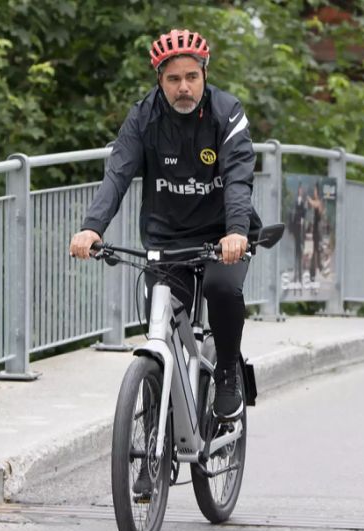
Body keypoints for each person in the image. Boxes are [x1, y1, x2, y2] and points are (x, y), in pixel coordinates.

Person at [70, 29, 261, 422]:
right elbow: (117, 174)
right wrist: (92, 227)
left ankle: (226, 371)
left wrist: (237, 232)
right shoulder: (144, 118)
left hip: (221, 236)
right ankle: (159, 406)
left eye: (192, 76)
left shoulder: (228, 113)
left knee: (221, 288)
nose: (184, 87)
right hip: (165, 238)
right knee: (160, 324)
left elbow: (239, 179)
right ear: (159, 80)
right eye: (173, 79)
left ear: (205, 74)